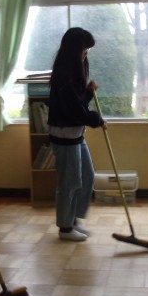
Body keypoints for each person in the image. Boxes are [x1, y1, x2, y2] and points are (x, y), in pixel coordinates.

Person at [48, 27, 105, 241]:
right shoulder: (64, 76)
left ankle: (73, 221)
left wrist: (88, 93)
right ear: (74, 50)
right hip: (64, 136)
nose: (85, 54)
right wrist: (97, 120)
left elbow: (78, 104)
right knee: (69, 183)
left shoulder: (73, 73)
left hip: (74, 134)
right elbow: (75, 111)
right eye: (83, 49)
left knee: (87, 177)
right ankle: (65, 228)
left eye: (87, 50)